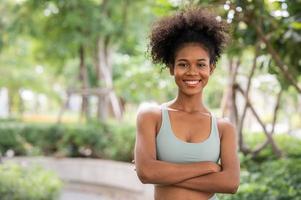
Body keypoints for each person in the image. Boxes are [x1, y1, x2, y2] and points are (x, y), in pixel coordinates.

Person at [134, 6, 240, 200]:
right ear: (171, 68)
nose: (192, 72)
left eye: (201, 64)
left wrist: (163, 175)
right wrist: (207, 168)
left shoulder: (223, 128)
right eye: (183, 64)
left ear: (211, 69)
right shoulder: (152, 117)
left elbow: (230, 183)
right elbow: (146, 173)